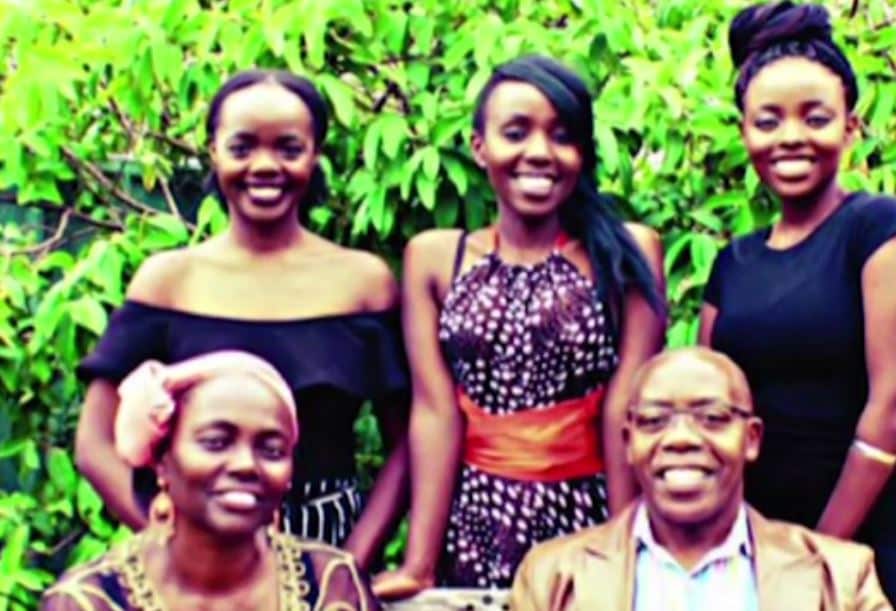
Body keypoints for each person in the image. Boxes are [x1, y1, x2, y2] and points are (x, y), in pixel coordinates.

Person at [74, 70, 409, 568]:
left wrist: (347, 570)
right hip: (190, 564)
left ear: (315, 156)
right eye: (243, 146)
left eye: (289, 149)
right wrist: (171, 543)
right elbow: (93, 443)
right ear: (214, 152)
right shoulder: (169, 281)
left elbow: (408, 443)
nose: (265, 165)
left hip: (329, 545)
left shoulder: (362, 284)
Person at [375, 55, 666, 596]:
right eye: (516, 132)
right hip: (475, 518)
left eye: (562, 136)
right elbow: (436, 412)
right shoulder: (436, 258)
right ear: (479, 145)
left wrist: (625, 549)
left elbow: (627, 410)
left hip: (587, 511)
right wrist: (419, 562)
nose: (539, 152)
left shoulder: (627, 253)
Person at [698, 1, 896, 600]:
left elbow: (890, 406)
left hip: (865, 543)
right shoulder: (733, 261)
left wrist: (820, 552)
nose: (791, 138)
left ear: (851, 128)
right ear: (744, 133)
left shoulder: (876, 228)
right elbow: (712, 404)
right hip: (752, 546)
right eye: (768, 121)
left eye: (815, 118)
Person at [511, 347, 892, 611]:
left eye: (712, 418)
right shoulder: (553, 576)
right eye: (654, 421)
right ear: (628, 443)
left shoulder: (841, 577)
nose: (681, 439)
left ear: (751, 439)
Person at [43, 351, 381, 610]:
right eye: (216, 442)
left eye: (272, 450)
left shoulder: (331, 584)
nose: (246, 465)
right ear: (162, 462)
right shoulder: (89, 601)